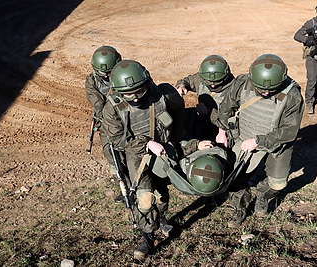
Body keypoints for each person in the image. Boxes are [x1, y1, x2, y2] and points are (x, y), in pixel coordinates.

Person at [100, 60, 184, 261]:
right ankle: (147, 238)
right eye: (128, 94)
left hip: (163, 151)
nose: (135, 98)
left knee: (161, 194)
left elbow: (180, 115)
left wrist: (177, 143)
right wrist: (146, 143)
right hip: (136, 156)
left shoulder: (163, 95)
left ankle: (162, 218)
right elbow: (119, 141)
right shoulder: (113, 107)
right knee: (145, 200)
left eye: (139, 91)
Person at [213, 54, 304, 228]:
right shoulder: (242, 83)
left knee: (277, 184)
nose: (266, 92)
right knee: (234, 178)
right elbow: (225, 108)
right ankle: (239, 208)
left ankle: (263, 194)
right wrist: (222, 131)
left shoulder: (292, 95)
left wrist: (258, 141)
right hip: (244, 136)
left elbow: (289, 131)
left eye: (271, 89)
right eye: (260, 89)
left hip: (277, 142)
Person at [85, 45, 124, 202]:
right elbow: (99, 106)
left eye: (109, 73)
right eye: (103, 74)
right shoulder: (92, 81)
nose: (107, 77)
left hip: (129, 115)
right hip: (108, 122)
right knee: (112, 154)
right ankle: (123, 186)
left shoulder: (125, 72)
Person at [175, 55, 235, 141]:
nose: (213, 85)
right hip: (202, 124)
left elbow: (231, 119)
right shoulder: (202, 77)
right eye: (209, 82)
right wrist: (181, 86)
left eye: (216, 82)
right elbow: (187, 81)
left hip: (222, 132)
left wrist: (209, 113)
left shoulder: (234, 89)